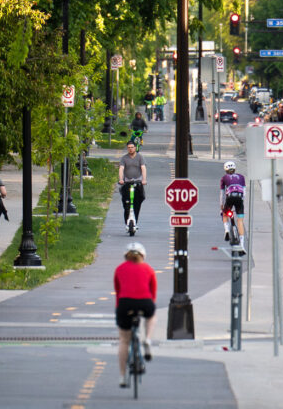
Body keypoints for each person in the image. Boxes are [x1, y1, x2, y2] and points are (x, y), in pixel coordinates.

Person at [114, 242, 157, 388]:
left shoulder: (119, 269)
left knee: (124, 341)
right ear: (143, 255)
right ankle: (147, 339)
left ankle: (122, 376)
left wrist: (119, 309)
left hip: (125, 304)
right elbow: (153, 293)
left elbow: (118, 292)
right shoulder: (148, 269)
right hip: (145, 302)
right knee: (151, 316)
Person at [220, 160, 246, 255]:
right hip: (239, 197)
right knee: (240, 221)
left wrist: (221, 206)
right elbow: (244, 192)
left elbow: (222, 194)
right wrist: (242, 202)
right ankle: (242, 245)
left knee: (225, 213)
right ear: (235, 169)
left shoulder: (224, 178)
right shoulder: (242, 177)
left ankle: (227, 230)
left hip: (230, 197)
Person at [119, 141, 147, 230]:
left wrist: (144, 179)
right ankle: (127, 222)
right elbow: (121, 168)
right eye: (129, 147)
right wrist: (121, 179)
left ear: (135, 148)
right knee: (126, 203)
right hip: (127, 182)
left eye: (132, 147)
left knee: (137, 202)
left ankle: (135, 221)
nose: (130, 149)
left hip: (138, 182)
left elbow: (143, 168)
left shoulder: (140, 157)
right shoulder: (124, 158)